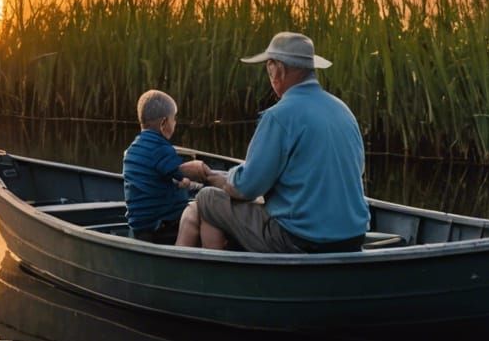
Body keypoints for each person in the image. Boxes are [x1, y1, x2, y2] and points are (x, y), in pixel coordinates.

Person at [176, 31, 369, 253]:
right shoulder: (343, 110)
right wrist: (228, 176)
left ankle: (215, 278)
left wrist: (217, 180)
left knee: (207, 199)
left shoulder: (279, 116)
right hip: (352, 238)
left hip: (299, 240)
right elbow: (353, 170)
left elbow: (246, 187)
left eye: (269, 67)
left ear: (277, 69)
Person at [122, 89, 211, 244]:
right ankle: (190, 253)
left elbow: (159, 177)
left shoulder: (132, 150)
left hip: (139, 226)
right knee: (203, 214)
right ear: (164, 123)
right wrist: (201, 172)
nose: (175, 123)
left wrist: (179, 182)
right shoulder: (160, 148)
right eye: (174, 119)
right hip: (161, 225)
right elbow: (181, 171)